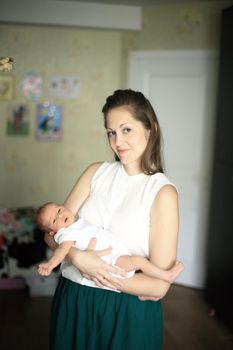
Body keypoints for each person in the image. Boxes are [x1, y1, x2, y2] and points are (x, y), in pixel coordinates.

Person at [45, 89, 181, 350]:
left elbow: (158, 287)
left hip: (126, 311)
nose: (118, 141)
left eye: (126, 129)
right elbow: (52, 231)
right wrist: (77, 258)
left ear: (150, 129)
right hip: (72, 298)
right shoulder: (95, 173)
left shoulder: (162, 193)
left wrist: (96, 272)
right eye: (111, 132)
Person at [37, 202, 183, 285]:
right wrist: (50, 265)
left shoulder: (76, 222)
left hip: (115, 254)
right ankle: (167, 276)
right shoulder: (66, 234)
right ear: (52, 232)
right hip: (111, 262)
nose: (61, 216)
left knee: (140, 264)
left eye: (59, 210)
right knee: (139, 261)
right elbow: (61, 251)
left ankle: (149, 294)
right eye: (54, 220)